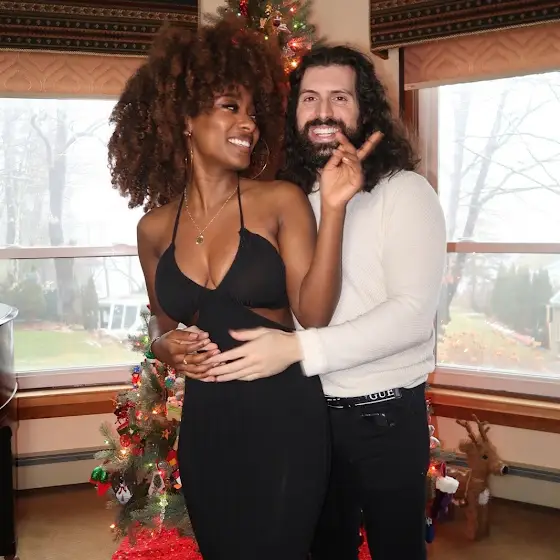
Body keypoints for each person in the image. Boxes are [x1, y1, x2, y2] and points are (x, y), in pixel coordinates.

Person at [108, 21, 380, 560]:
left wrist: (332, 208)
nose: (249, 124)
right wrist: (163, 345)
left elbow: (314, 314)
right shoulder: (154, 230)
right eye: (231, 107)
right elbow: (164, 326)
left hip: (285, 419)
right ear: (185, 119)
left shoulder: (279, 201)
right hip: (208, 426)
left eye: (254, 112)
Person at [181, 45, 447, 560]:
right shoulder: (288, 200)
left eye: (340, 97)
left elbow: (412, 316)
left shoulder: (405, 192)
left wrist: (298, 348)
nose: (323, 112)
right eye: (309, 98)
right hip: (304, 419)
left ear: (364, 109)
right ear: (294, 112)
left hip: (385, 418)